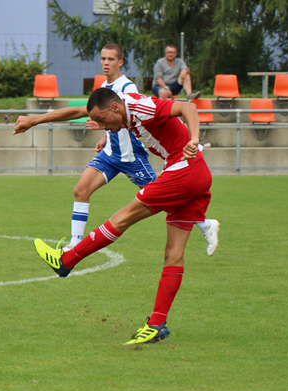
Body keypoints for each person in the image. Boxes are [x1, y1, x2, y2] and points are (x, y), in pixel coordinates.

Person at [14, 88, 214, 344]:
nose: (99, 125)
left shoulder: (141, 107)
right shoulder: (116, 109)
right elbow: (80, 111)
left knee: (123, 217)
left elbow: (189, 108)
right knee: (173, 253)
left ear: (116, 108)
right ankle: (156, 325)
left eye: (101, 120)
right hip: (196, 174)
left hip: (183, 171)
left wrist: (194, 139)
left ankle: (67, 261)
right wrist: (34, 120)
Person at [62, 43, 218, 255]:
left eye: (110, 59)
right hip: (111, 154)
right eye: (103, 58)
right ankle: (74, 243)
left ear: (120, 62)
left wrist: (35, 121)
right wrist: (105, 135)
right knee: (80, 190)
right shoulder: (103, 88)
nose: (105, 63)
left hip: (131, 156)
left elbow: (129, 115)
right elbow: (111, 117)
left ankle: (204, 223)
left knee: (164, 201)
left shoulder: (128, 90)